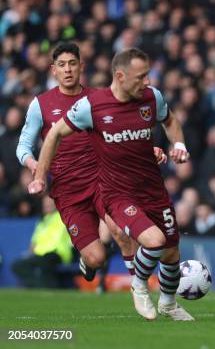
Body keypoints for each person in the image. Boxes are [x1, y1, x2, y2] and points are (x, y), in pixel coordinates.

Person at [29, 48, 193, 321]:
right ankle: (139, 285)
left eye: (147, 75)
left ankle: (168, 303)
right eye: (140, 77)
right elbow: (55, 134)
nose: (147, 82)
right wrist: (39, 176)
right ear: (120, 76)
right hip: (117, 192)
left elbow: (171, 121)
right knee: (154, 241)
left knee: (171, 252)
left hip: (153, 188)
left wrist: (178, 144)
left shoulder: (152, 98)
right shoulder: (92, 106)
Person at [15, 43, 168, 285]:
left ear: (81, 67)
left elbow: (123, 132)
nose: (68, 70)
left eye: (72, 64)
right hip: (68, 189)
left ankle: (139, 290)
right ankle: (90, 261)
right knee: (97, 258)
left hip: (103, 180)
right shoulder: (40, 104)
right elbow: (23, 145)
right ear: (53, 70)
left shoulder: (98, 99)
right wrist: (33, 163)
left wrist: (149, 150)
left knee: (120, 230)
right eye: (62, 65)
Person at [11, 195, 73, 288]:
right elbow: (33, 242)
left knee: (46, 263)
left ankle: (47, 287)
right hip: (40, 255)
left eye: (49, 204)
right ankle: (40, 286)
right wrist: (30, 253)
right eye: (45, 205)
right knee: (17, 265)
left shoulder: (63, 217)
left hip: (57, 253)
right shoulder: (41, 222)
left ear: (56, 205)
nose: (46, 207)